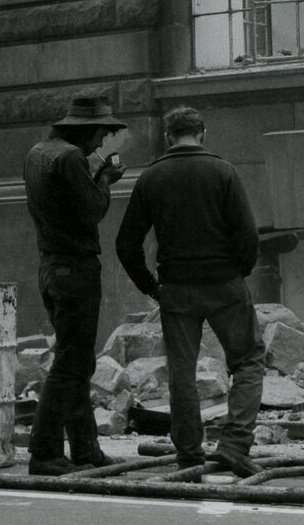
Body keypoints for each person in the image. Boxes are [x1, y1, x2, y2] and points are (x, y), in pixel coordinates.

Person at [115, 105, 264, 478]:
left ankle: (189, 455)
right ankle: (233, 446)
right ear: (203, 133)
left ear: (168, 136)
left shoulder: (152, 177)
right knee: (247, 361)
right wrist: (238, 272)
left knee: (182, 373)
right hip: (224, 284)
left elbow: (126, 243)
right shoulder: (223, 172)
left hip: (177, 288)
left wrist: (151, 287)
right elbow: (247, 234)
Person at [23, 92, 127, 476]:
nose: (102, 142)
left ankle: (85, 449)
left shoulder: (39, 152)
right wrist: (105, 179)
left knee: (77, 361)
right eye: (101, 133)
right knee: (71, 364)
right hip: (74, 269)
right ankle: (45, 451)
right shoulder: (69, 158)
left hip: (51, 267)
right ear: (86, 130)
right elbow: (92, 210)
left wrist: (94, 172)